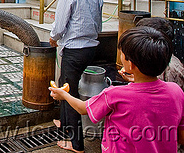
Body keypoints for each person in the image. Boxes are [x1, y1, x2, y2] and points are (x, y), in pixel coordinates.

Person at [50, 26, 184, 153]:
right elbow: (180, 135)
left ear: (130, 64)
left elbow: (83, 108)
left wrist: (64, 95)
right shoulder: (175, 91)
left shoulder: (115, 94)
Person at [49, 0, 103, 152]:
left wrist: (54, 37)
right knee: (65, 82)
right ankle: (63, 122)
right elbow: (98, 25)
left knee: (69, 93)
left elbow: (60, 25)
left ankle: (76, 143)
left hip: (74, 50)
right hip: (90, 48)